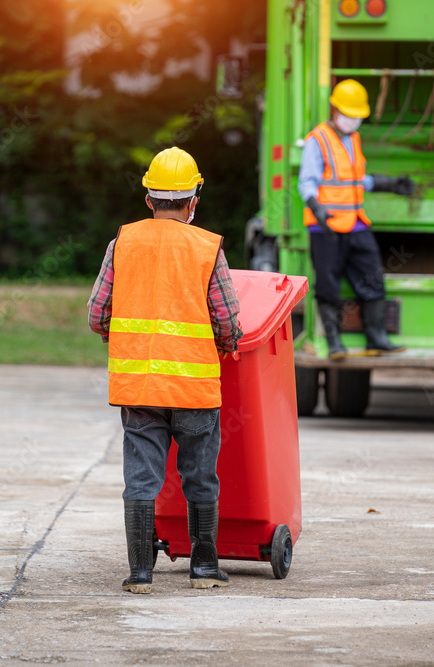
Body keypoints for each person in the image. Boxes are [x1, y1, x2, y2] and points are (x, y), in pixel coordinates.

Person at [88, 147, 243, 594]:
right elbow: (228, 322)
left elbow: (99, 314)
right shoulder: (208, 247)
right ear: (194, 199)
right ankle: (204, 568)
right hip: (194, 388)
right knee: (200, 476)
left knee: (140, 478)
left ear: (149, 199)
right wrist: (223, 345)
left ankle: (139, 574)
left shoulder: (122, 242)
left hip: (139, 388)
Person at [300, 78, 416, 360]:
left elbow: (354, 179)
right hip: (325, 226)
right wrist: (317, 209)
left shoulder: (353, 139)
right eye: (348, 114)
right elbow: (306, 183)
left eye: (357, 116)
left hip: (355, 222)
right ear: (334, 110)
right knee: (327, 284)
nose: (352, 121)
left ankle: (376, 339)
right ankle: (335, 343)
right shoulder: (317, 140)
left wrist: (389, 184)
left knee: (373, 277)